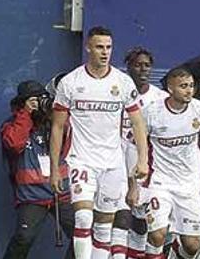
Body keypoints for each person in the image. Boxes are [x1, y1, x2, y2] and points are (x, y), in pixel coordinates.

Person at [49, 26, 149, 259]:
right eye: (99, 47)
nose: (105, 52)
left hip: (113, 163)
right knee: (84, 217)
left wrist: (142, 160)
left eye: (108, 47)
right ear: (88, 48)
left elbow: (138, 124)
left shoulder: (122, 82)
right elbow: (57, 126)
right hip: (81, 160)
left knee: (104, 227)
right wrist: (55, 169)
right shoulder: (71, 82)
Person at [125, 68, 200, 259]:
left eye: (190, 86)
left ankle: (173, 253)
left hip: (188, 184)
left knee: (192, 246)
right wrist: (133, 184)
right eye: (183, 86)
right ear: (170, 88)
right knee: (157, 234)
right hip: (159, 182)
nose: (189, 90)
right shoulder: (151, 112)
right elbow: (133, 146)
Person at [2, 81, 74, 259]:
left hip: (61, 191)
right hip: (31, 196)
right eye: (33, 100)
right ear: (22, 103)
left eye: (41, 100)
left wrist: (52, 114)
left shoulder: (54, 124)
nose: (39, 104)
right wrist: (25, 114)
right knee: (23, 238)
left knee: (83, 235)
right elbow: (14, 144)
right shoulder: (11, 125)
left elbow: (68, 141)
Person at [112, 47, 165, 259]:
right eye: (137, 64)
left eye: (147, 65)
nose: (143, 69)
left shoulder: (160, 98)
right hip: (116, 162)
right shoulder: (118, 91)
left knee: (141, 222)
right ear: (128, 67)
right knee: (119, 217)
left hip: (145, 166)